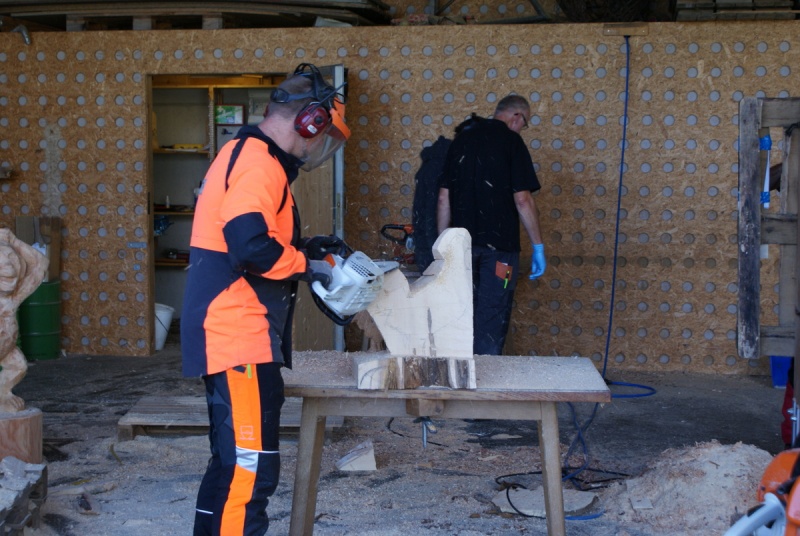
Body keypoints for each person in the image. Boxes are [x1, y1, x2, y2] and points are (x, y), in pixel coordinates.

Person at [181, 63, 350, 536]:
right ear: (310, 122)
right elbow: (251, 247)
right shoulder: (258, 163)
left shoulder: (249, 155)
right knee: (249, 470)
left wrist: (305, 247)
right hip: (238, 332)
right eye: (323, 133)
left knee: (232, 465)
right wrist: (308, 267)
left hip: (236, 331)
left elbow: (256, 236)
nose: (318, 144)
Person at [437, 95, 545, 356]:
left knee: (462, 311)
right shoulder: (512, 142)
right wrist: (538, 246)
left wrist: (442, 246)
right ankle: (485, 375)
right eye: (525, 123)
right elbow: (523, 200)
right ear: (516, 117)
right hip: (501, 254)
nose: (521, 129)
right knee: (493, 314)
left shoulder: (461, 140)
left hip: (462, 250)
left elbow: (443, 198)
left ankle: (460, 372)